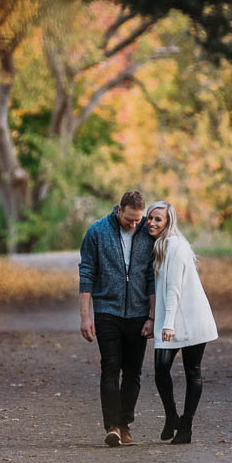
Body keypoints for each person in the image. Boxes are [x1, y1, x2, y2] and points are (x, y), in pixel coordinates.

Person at [79, 190, 156, 447]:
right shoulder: (97, 232)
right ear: (119, 210)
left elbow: (152, 277)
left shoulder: (148, 231)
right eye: (129, 219)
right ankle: (112, 426)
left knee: (133, 372)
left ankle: (125, 424)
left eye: (138, 220)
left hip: (138, 312)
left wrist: (153, 317)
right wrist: (85, 316)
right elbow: (87, 273)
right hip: (107, 311)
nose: (134, 225)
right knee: (110, 367)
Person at [143, 200, 218, 444]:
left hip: (191, 318)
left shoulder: (175, 246)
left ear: (168, 223)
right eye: (150, 218)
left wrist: (167, 324)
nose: (152, 222)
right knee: (161, 369)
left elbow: (174, 288)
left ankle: (186, 425)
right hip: (172, 318)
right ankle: (171, 416)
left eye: (158, 219)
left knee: (192, 371)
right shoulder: (160, 245)